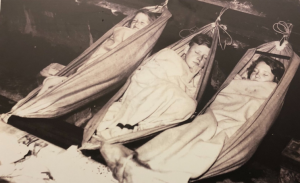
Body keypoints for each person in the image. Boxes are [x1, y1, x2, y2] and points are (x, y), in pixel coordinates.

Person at [98, 56, 285, 183]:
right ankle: (139, 161)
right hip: (213, 117)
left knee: (204, 146)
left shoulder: (272, 93)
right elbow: (223, 100)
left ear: (274, 79)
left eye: (264, 74)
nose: (257, 76)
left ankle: (154, 173)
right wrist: (236, 84)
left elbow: (254, 115)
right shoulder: (237, 82)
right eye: (255, 72)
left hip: (233, 127)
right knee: (182, 134)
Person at [96, 34, 212, 139]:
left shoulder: (197, 79)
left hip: (155, 118)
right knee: (168, 89)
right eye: (197, 52)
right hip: (141, 100)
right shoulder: (168, 58)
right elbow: (141, 79)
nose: (199, 58)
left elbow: (184, 103)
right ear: (186, 49)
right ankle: (127, 125)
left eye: (205, 57)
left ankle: (140, 128)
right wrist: (172, 86)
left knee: (190, 105)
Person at [37, 9, 158, 96]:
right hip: (100, 63)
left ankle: (54, 83)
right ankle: (53, 83)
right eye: (135, 21)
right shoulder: (125, 31)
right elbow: (115, 47)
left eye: (142, 22)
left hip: (104, 66)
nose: (136, 24)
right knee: (78, 83)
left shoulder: (143, 41)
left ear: (150, 27)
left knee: (78, 83)